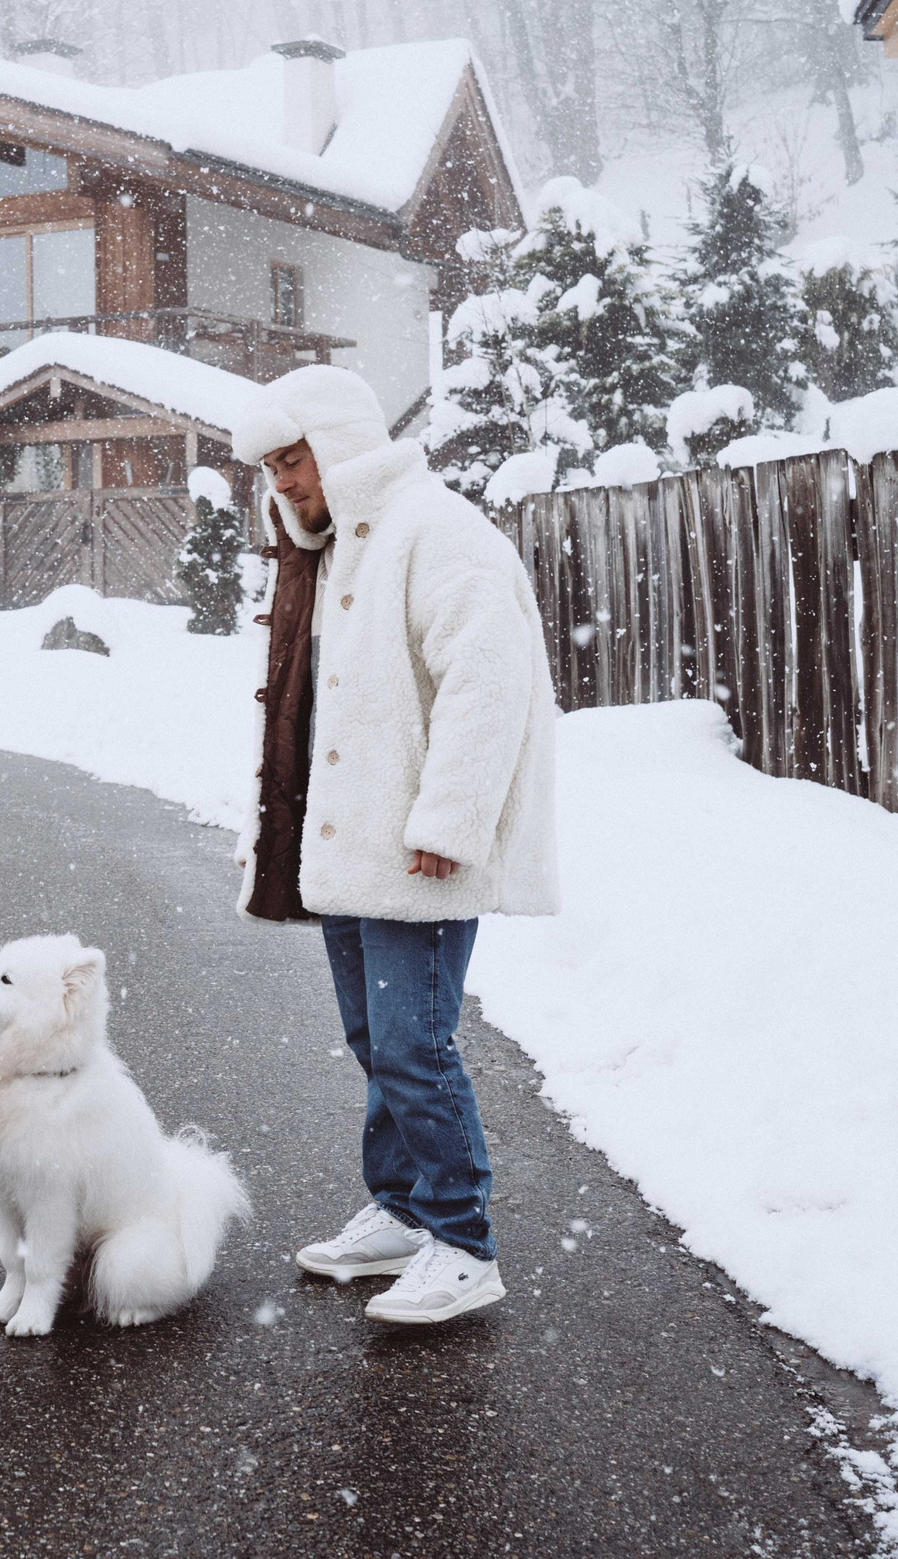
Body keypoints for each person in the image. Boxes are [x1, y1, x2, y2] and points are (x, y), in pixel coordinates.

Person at [230, 365, 560, 1326]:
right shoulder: (340, 550)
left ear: (339, 443)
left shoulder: (436, 530)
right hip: (354, 844)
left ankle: (462, 1241)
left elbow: (486, 680)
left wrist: (449, 822)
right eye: (272, 467)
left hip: (418, 848)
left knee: (416, 1043)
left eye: (293, 460)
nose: (283, 482)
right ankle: (405, 1211)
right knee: (377, 1038)